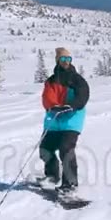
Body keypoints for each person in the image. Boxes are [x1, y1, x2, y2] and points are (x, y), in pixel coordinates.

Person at [39, 47, 89, 193]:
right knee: (45, 149)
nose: (66, 62)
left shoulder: (77, 79)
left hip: (72, 120)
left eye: (68, 59)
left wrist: (72, 106)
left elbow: (83, 96)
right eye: (63, 59)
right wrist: (54, 106)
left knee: (66, 148)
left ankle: (70, 184)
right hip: (54, 121)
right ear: (57, 60)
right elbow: (46, 98)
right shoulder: (51, 81)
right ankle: (52, 176)